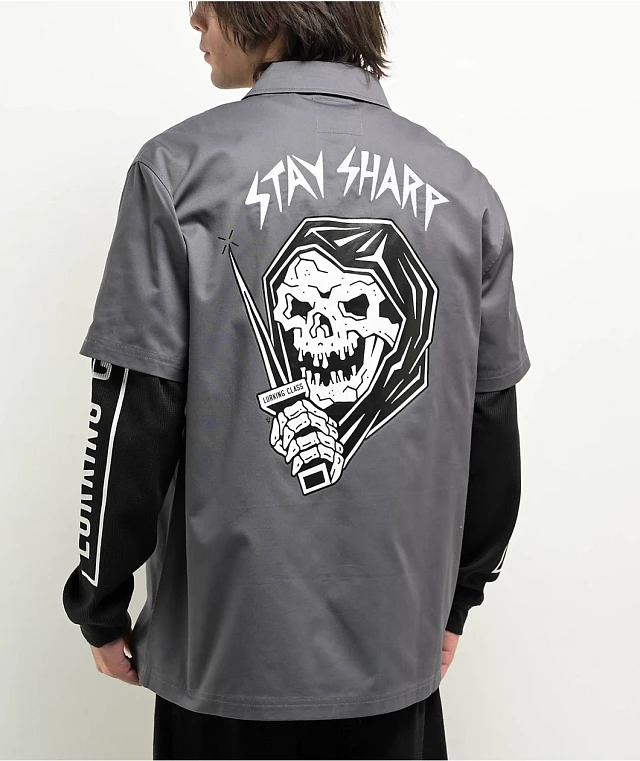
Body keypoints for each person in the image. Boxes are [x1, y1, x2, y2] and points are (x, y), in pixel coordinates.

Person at [62, 2, 531, 759]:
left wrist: (99, 597)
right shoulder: (464, 191)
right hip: (395, 663)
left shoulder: (177, 171)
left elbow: (133, 411)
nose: (194, 17)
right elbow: (493, 420)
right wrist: (460, 598)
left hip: (225, 667)